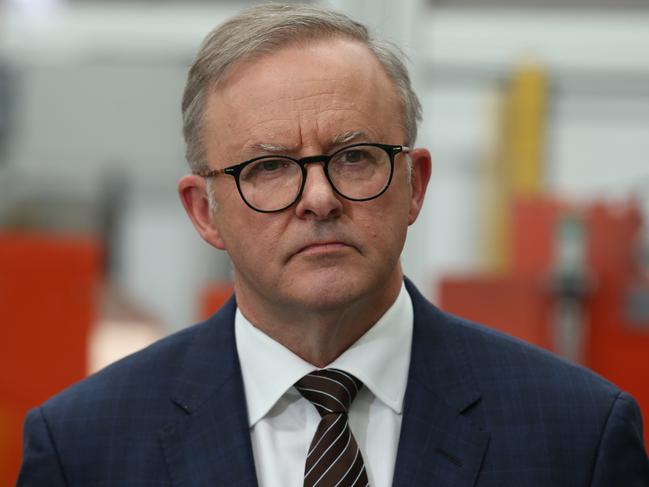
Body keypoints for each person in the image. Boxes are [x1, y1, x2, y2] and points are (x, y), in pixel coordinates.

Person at [18, 4, 649, 486]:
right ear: (203, 212)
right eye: (268, 168)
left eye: (354, 157)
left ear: (414, 184)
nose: (318, 198)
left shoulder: (576, 437)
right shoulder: (85, 447)